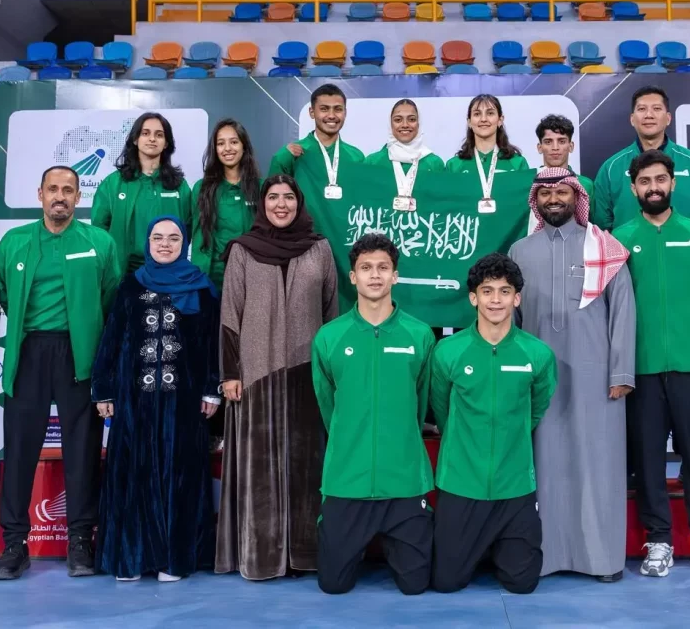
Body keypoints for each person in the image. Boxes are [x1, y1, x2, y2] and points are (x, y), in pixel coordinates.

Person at [0, 166, 122, 581]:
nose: (60, 196)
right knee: (19, 451)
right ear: (40, 194)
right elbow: (3, 294)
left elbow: (111, 295)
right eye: (53, 189)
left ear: (79, 197)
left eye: (68, 189)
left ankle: (81, 540)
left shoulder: (99, 242)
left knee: (83, 451)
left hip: (79, 354)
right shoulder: (14, 242)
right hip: (29, 351)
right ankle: (14, 544)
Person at [611, 150, 690, 579]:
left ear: (673, 183)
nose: (653, 188)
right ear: (633, 188)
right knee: (647, 458)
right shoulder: (619, 239)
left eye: (660, 179)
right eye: (645, 182)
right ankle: (659, 539)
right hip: (641, 368)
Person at [509, 168, 634, 582]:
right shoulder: (520, 251)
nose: (554, 199)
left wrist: (621, 372)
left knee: (598, 467)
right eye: (546, 193)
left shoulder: (605, 247)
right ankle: (545, 557)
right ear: (536, 201)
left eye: (562, 191)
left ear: (576, 197)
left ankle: (601, 560)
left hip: (597, 379)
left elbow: (623, 312)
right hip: (538, 379)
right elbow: (511, 319)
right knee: (545, 467)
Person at [215, 174, 338, 581]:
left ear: (299, 203)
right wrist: (230, 374)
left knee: (306, 467)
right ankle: (263, 556)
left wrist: (331, 373)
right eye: (273, 197)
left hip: (308, 375)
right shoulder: (243, 250)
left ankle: (304, 555)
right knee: (260, 471)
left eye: (288, 197)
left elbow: (332, 313)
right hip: (256, 374)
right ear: (262, 204)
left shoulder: (320, 249)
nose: (281, 204)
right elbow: (229, 315)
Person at [92, 217, 220, 582]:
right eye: (158, 238)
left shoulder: (202, 288)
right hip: (134, 400)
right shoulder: (131, 285)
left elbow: (212, 343)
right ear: (147, 242)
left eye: (174, 238)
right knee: (133, 472)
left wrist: (211, 388)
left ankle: (172, 559)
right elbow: (111, 338)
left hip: (184, 401)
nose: (165, 244)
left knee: (178, 475)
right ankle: (130, 559)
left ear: (184, 243)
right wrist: (103, 388)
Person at [311, 233, 436, 595]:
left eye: (383, 267)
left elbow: (421, 402)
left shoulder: (420, 335)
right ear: (353, 277)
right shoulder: (329, 337)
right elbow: (328, 405)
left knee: (416, 586)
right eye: (366, 268)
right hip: (347, 480)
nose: (375, 275)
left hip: (405, 482)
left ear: (395, 275)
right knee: (333, 585)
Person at [430, 253, 557, 594]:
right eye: (487, 291)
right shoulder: (447, 352)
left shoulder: (538, 354)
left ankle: (497, 547)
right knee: (446, 582)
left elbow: (536, 410)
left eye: (504, 291)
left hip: (514, 486)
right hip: (461, 485)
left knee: (523, 584)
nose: (496, 300)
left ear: (517, 298)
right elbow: (442, 410)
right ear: (473, 298)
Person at [592, 86, 690, 232]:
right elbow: (602, 224)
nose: (649, 115)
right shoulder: (611, 167)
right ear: (632, 119)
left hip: (682, 246)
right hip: (628, 247)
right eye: (642, 109)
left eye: (657, 109)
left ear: (668, 118)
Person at [92, 112, 192, 272]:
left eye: (159, 135)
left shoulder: (178, 185)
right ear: (135, 139)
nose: (152, 139)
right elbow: (99, 228)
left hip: (169, 271)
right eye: (145, 133)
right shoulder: (113, 183)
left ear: (166, 143)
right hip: (123, 272)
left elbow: (188, 226)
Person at [267, 84, 365, 207]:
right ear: (312, 112)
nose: (331, 115)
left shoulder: (356, 157)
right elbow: (272, 200)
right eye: (324, 109)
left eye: (338, 109)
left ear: (345, 112)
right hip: (305, 221)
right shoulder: (291, 154)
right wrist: (283, 157)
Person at [191, 119, 259, 288]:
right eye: (221, 143)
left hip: (251, 276)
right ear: (215, 149)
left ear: (244, 146)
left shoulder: (260, 187)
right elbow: (197, 235)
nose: (227, 148)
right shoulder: (202, 188)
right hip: (212, 278)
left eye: (234, 142)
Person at [363, 99, 445, 211]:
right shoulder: (373, 162)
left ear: (419, 123)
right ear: (390, 124)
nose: (405, 125)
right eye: (398, 120)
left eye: (411, 119)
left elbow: (440, 207)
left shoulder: (435, 163)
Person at [445, 95, 532, 199]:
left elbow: (525, 202)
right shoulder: (454, 165)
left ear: (500, 120)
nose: (483, 119)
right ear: (469, 122)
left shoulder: (518, 163)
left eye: (490, 113)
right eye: (477, 114)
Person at [534, 114, 593, 202]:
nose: (555, 147)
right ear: (539, 148)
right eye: (548, 142)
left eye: (561, 141)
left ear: (571, 146)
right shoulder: (529, 183)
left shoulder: (586, 185)